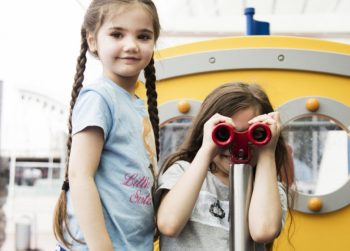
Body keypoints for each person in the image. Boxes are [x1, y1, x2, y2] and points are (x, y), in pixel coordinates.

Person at [52, 1, 161, 250]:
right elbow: (80, 175)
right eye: (116, 34)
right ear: (93, 41)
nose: (131, 45)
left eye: (143, 36)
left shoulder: (135, 103)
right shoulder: (99, 98)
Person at [156, 82, 293, 251]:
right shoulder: (183, 173)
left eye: (255, 134)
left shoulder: (269, 189)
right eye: (225, 133)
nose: (237, 145)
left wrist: (267, 152)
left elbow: (263, 231)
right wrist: (207, 149)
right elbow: (169, 225)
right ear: (206, 132)